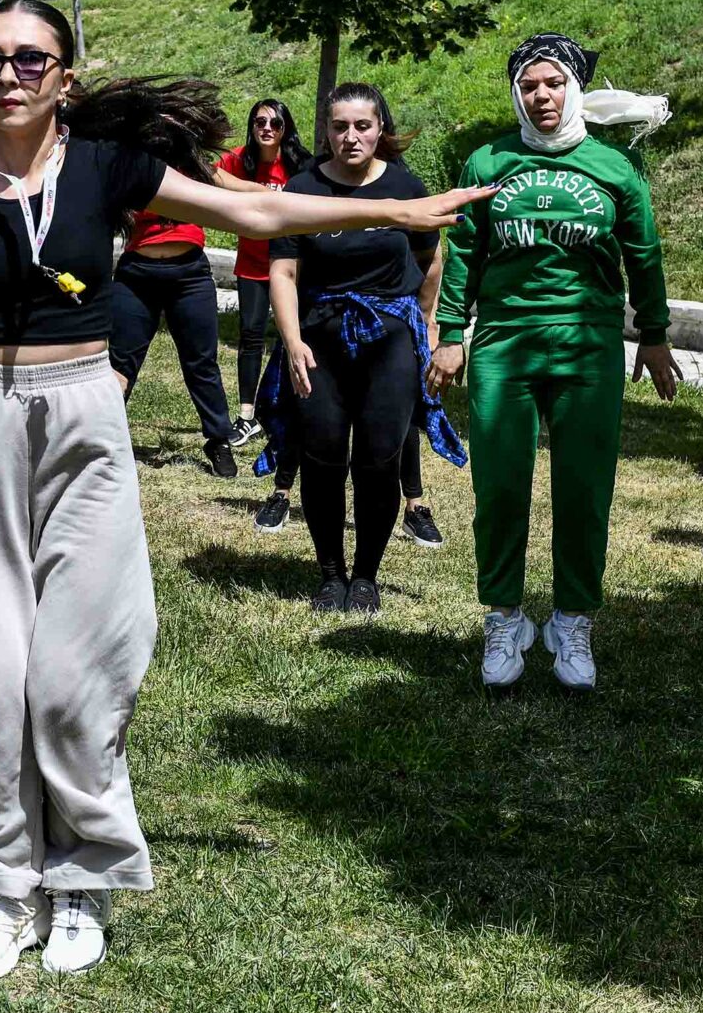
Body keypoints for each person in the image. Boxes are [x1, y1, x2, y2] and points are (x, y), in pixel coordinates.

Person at [0, 0, 487, 981]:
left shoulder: (112, 170)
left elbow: (253, 210)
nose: (8, 73)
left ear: (65, 77)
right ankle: (3, 885)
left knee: (74, 681)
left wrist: (394, 210)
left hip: (81, 414)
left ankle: (80, 876)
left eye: (31, 59)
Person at [431, 34, 681, 690]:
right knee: (501, 484)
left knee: (583, 486)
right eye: (530, 85)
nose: (542, 95)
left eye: (554, 83)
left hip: (588, 343)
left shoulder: (615, 168)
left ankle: (572, 619)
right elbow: (462, 250)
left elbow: (645, 253)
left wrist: (653, 335)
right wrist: (451, 332)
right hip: (504, 344)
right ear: (517, 92)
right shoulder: (487, 160)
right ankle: (505, 616)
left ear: (575, 89)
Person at [261, 83, 462, 615]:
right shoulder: (301, 190)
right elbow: (282, 271)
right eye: (340, 126)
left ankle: (366, 576)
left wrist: (426, 325)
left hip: (389, 340)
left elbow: (431, 257)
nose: (351, 137)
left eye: (363, 126)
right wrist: (292, 339)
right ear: (325, 131)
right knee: (323, 455)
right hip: (319, 338)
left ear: (380, 129)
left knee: (379, 458)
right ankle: (330, 573)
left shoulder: (404, 188)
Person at [105, 177, 238, 480]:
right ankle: (100, 436)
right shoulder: (133, 165)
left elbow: (234, 188)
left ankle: (219, 441)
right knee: (121, 362)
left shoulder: (192, 166)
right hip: (137, 273)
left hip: (190, 274)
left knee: (202, 362)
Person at [215, 98, 306, 451]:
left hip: (291, 266)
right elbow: (209, 170)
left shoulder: (299, 163)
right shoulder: (241, 160)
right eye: (259, 122)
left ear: (286, 128)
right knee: (250, 336)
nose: (266, 128)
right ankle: (247, 416)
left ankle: (285, 408)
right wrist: (254, 190)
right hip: (252, 264)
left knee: (291, 338)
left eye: (275, 123)